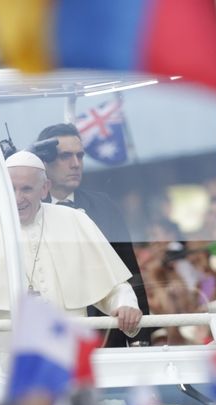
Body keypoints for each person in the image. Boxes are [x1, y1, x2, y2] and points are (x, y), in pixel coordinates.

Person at [0, 150, 142, 371]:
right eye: (10, 189)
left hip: (66, 355)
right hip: (4, 364)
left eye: (26, 189)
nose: (17, 198)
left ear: (44, 189)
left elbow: (109, 283)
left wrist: (125, 305)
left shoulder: (74, 221)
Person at [36, 123, 151, 347]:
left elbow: (129, 271)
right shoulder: (26, 212)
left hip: (106, 335)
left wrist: (141, 337)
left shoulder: (104, 207)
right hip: (49, 338)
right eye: (65, 156)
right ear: (44, 160)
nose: (75, 164)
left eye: (80, 155)